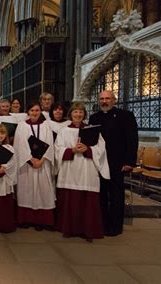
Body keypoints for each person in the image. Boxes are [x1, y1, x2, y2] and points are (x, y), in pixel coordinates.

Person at [55, 102, 110, 241]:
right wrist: (71, 150)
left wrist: (88, 149)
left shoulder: (92, 130)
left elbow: (101, 149)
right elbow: (57, 149)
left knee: (87, 200)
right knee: (70, 198)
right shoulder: (64, 131)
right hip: (70, 168)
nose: (78, 115)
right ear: (71, 114)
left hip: (87, 168)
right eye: (75, 112)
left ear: (84, 114)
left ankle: (88, 230)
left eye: (81, 112)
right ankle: (69, 229)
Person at [89, 90, 138, 236]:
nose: (104, 101)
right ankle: (102, 224)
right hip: (99, 162)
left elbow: (132, 140)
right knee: (101, 194)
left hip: (118, 162)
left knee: (116, 195)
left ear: (114, 100)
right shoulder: (94, 117)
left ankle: (116, 227)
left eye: (107, 98)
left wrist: (130, 161)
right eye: (102, 99)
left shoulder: (126, 116)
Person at [13, 101, 55, 230]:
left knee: (43, 190)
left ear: (40, 111)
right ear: (28, 112)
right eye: (32, 110)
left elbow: (49, 143)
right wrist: (31, 160)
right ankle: (26, 219)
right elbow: (19, 145)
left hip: (43, 164)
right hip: (27, 164)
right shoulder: (21, 126)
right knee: (27, 190)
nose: (35, 113)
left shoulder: (46, 126)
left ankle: (42, 221)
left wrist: (41, 160)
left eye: (37, 110)